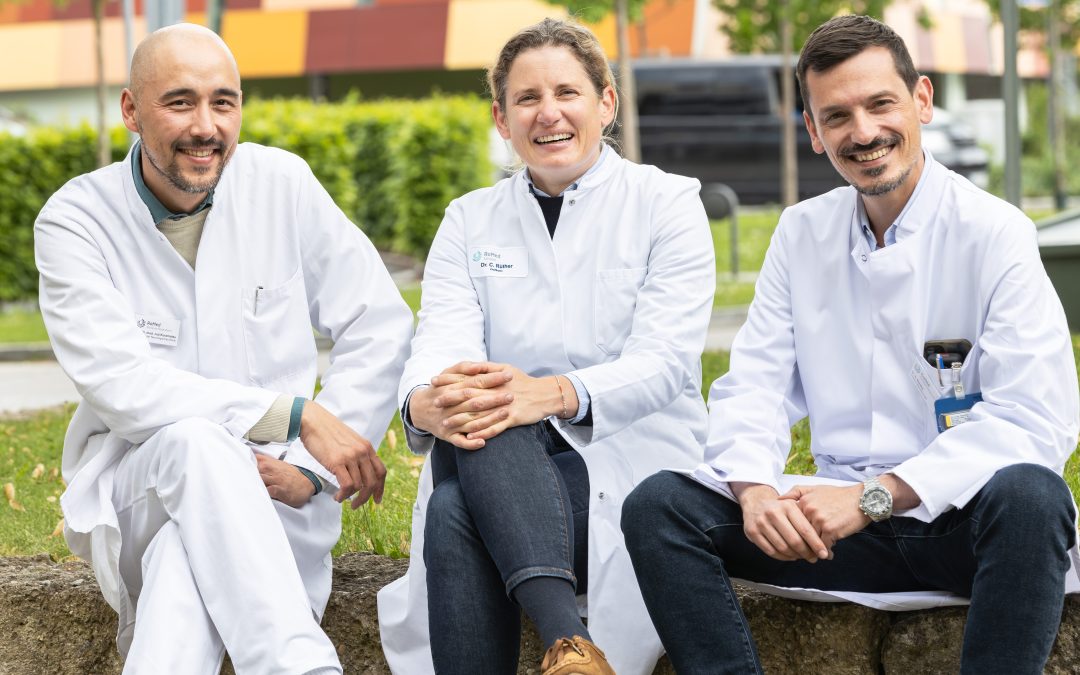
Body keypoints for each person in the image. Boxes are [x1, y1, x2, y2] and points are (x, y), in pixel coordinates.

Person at [622, 14, 1080, 675]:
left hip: (957, 522)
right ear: (812, 131)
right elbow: (754, 385)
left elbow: (1033, 420)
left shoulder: (994, 233)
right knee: (659, 505)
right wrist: (753, 492)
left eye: (880, 104)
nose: (863, 132)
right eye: (836, 115)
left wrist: (870, 498)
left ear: (922, 100)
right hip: (827, 532)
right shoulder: (800, 234)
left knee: (1034, 497)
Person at [34, 24, 413, 673]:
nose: (206, 125)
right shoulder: (76, 220)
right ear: (131, 110)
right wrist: (297, 414)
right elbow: (126, 387)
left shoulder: (282, 184)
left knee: (183, 573)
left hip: (278, 492)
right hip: (138, 487)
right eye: (179, 102)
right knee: (194, 442)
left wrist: (311, 469)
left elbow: (379, 323)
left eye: (224, 101)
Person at [376, 17, 715, 675]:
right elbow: (441, 340)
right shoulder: (469, 219)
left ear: (606, 102)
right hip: (501, 467)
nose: (548, 113)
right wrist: (424, 404)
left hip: (632, 467)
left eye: (567, 92)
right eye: (526, 99)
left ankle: (568, 641)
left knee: (456, 507)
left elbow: (666, 363)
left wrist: (551, 395)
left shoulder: (666, 203)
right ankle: (572, 646)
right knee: (481, 413)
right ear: (502, 120)